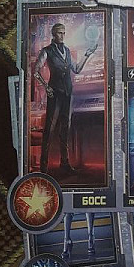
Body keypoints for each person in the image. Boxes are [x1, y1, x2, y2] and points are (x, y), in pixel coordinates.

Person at [34, 22, 97, 175]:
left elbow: (77, 69)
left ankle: (65, 163)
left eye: (63, 33)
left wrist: (87, 55)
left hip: (68, 94)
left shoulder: (67, 51)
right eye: (59, 33)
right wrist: (46, 87)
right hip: (55, 93)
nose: (62, 35)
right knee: (49, 129)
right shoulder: (47, 51)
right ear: (53, 34)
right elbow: (36, 71)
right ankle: (43, 166)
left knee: (65, 129)